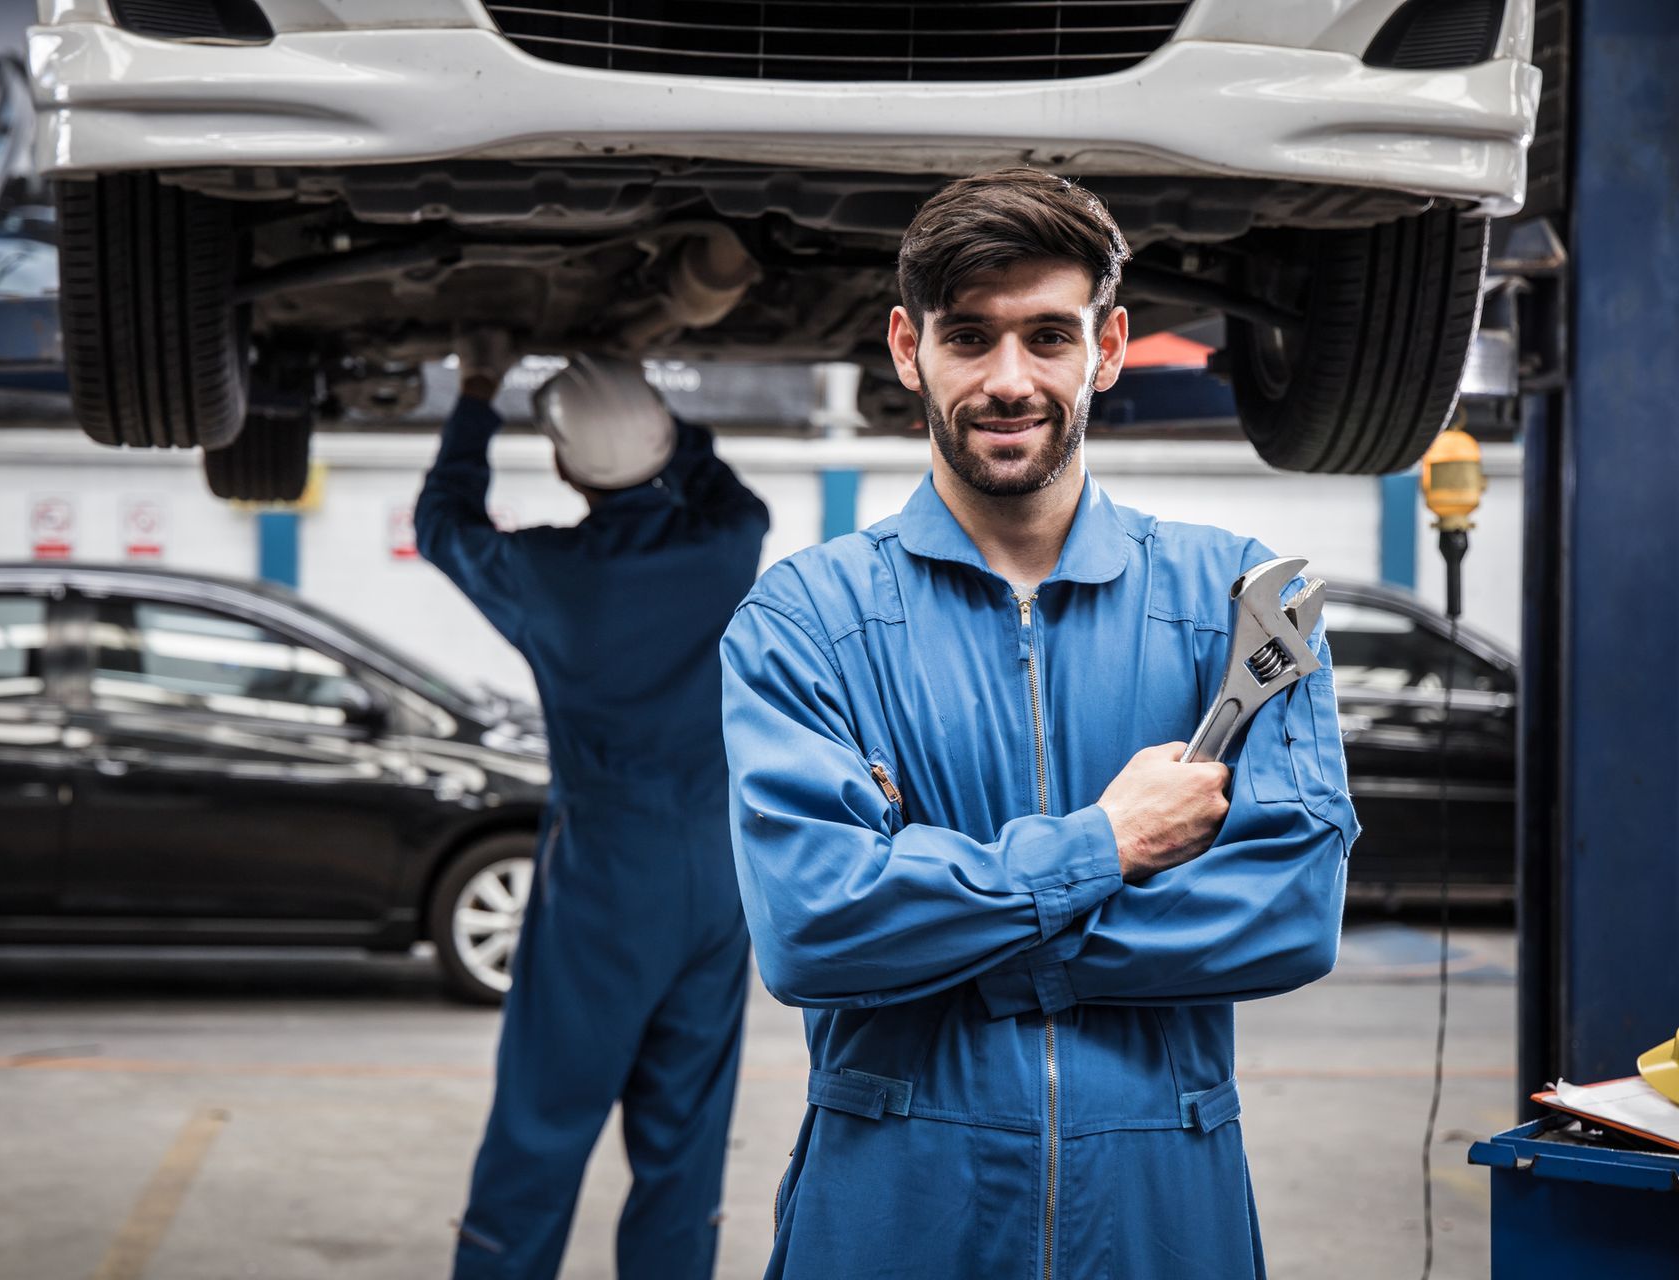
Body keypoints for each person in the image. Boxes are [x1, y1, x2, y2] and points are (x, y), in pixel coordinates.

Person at [719, 168, 1357, 1278]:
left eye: (1047, 337)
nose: (1009, 380)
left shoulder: (1234, 600)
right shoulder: (806, 620)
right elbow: (814, 927)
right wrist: (1104, 846)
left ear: (1107, 347)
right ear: (909, 349)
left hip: (1164, 1204)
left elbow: (1291, 911)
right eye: (970, 336)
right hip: (893, 1207)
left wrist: (969, 943)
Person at [416, 342, 771, 1280]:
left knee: (545, 1113)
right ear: (660, 443)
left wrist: (478, 398)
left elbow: (441, 524)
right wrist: (661, 427)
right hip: (718, 874)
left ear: (567, 464)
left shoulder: (550, 575)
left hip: (608, 879)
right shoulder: (726, 544)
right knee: (685, 1134)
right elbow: (732, 494)